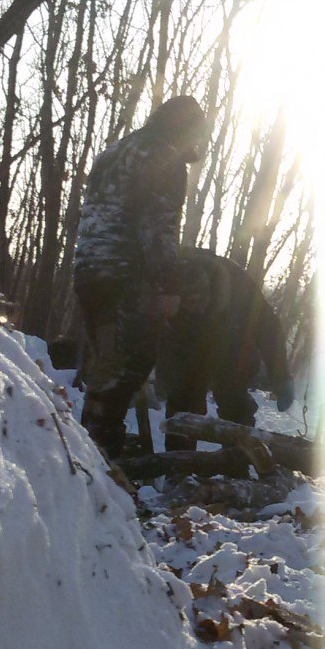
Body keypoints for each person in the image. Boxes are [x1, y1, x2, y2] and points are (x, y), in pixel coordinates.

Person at [72, 96, 209, 455]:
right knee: (128, 366)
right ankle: (101, 463)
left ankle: (86, 462)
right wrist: (168, 286)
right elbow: (158, 227)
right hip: (125, 274)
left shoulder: (116, 150)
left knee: (106, 367)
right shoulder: (164, 156)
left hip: (89, 269)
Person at [158, 249, 296, 450]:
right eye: (190, 304)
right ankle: (178, 469)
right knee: (182, 402)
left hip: (231, 339)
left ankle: (239, 460)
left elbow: (269, 330)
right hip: (187, 343)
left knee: (234, 399)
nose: (197, 308)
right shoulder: (164, 291)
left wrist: (280, 377)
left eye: (200, 301)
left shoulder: (239, 287)